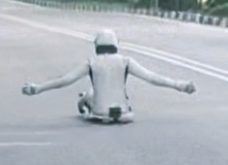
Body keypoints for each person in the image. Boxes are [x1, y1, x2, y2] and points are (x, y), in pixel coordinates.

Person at [20, 29, 196, 122]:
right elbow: (152, 78)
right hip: (124, 113)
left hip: (99, 113)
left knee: (88, 93)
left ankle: (83, 106)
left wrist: (37, 88)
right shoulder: (126, 61)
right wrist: (180, 85)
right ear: (115, 44)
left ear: (97, 45)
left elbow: (65, 81)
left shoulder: (91, 62)